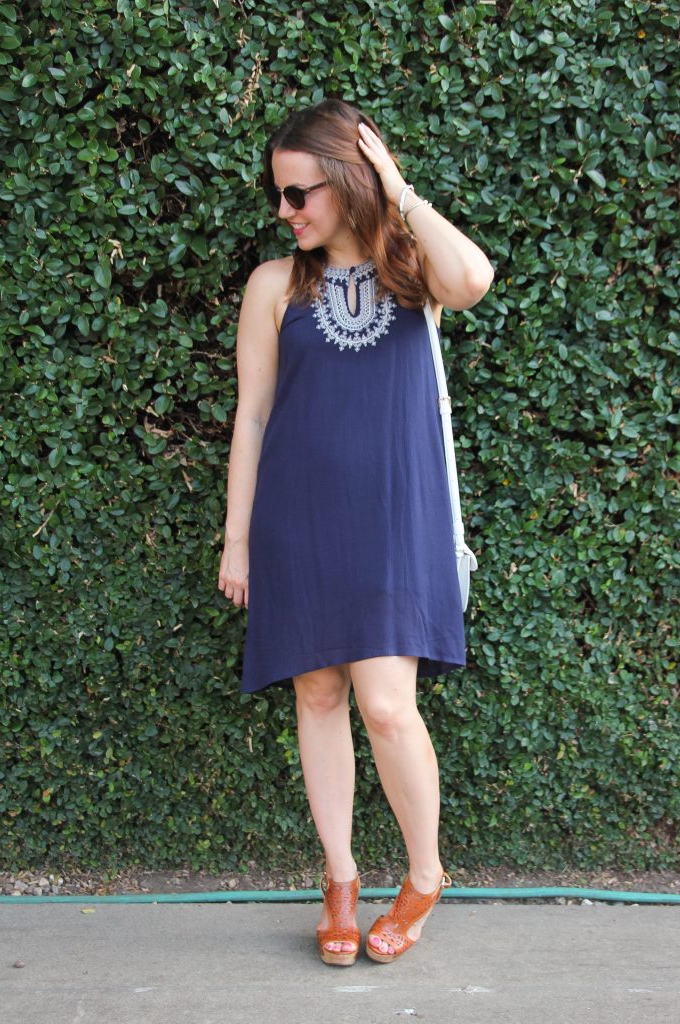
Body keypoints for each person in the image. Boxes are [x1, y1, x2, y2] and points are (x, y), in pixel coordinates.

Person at [218, 98, 494, 966]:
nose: (286, 211)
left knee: (385, 704)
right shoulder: (273, 285)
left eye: (299, 192)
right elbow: (253, 418)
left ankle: (422, 876)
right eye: (279, 196)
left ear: (345, 180)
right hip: (296, 519)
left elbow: (473, 279)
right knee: (318, 694)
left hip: (395, 518)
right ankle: (339, 882)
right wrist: (236, 539)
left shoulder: (411, 267)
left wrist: (398, 190)